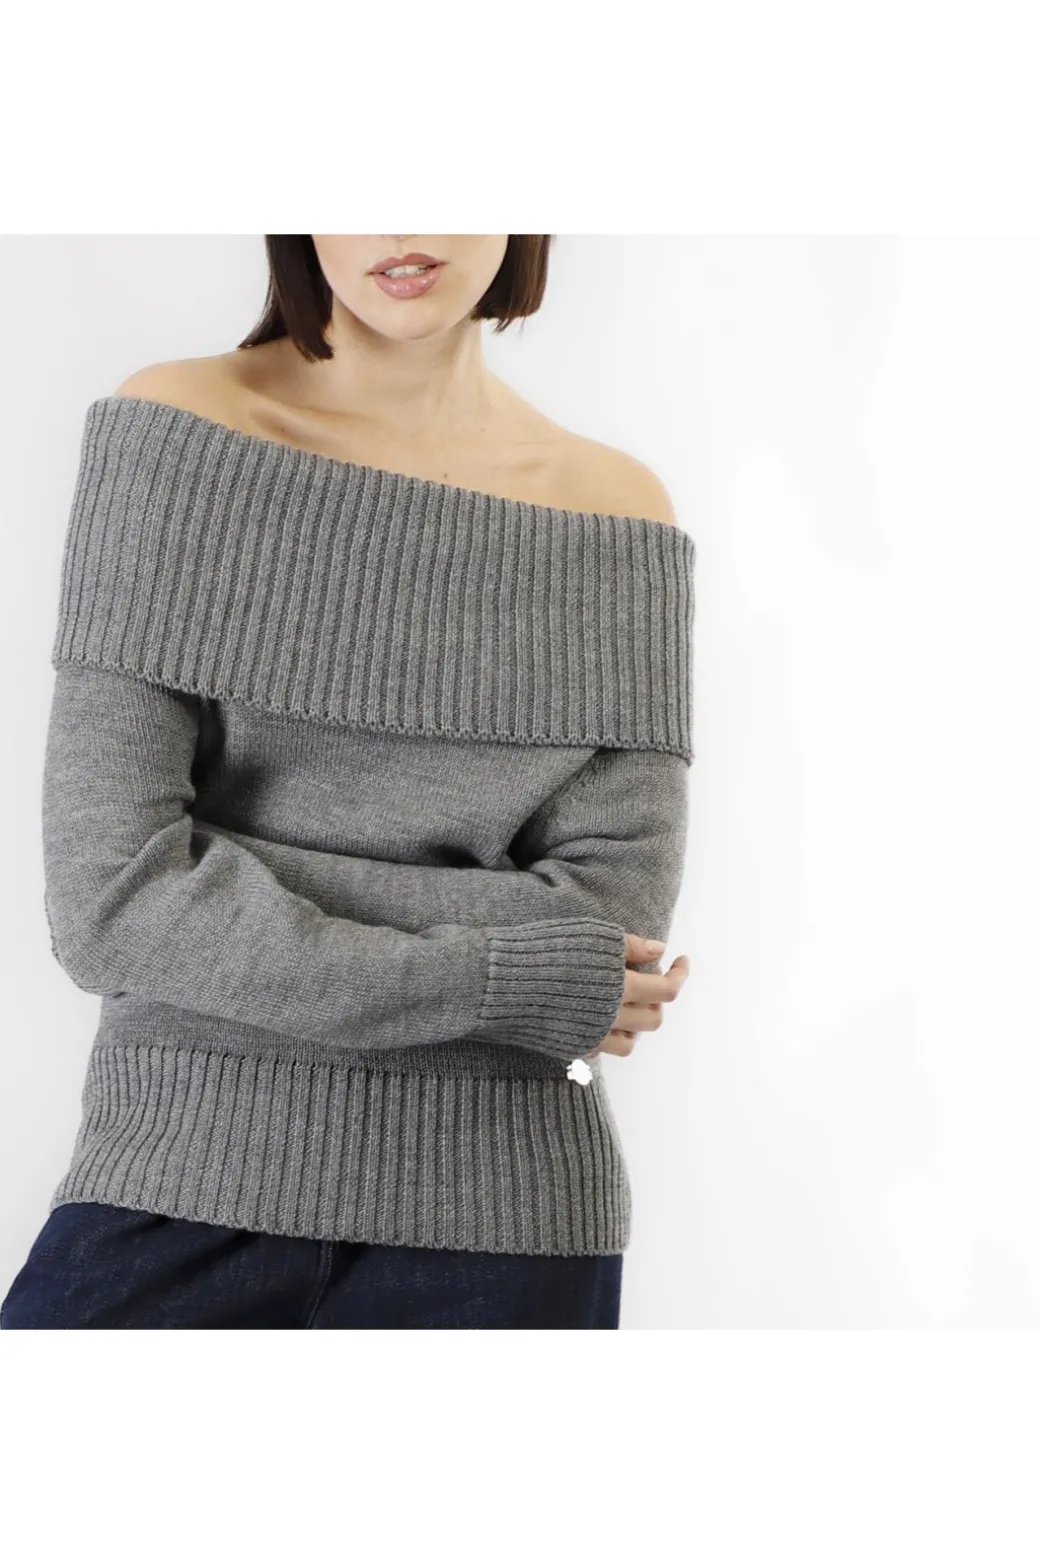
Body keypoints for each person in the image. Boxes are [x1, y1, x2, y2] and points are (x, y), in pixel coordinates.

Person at [0, 234, 694, 1330]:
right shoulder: (175, 434)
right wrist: (510, 977)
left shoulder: (617, 515)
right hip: (174, 1185)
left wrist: (240, 885)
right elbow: (113, 901)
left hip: (511, 1231)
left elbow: (610, 923)